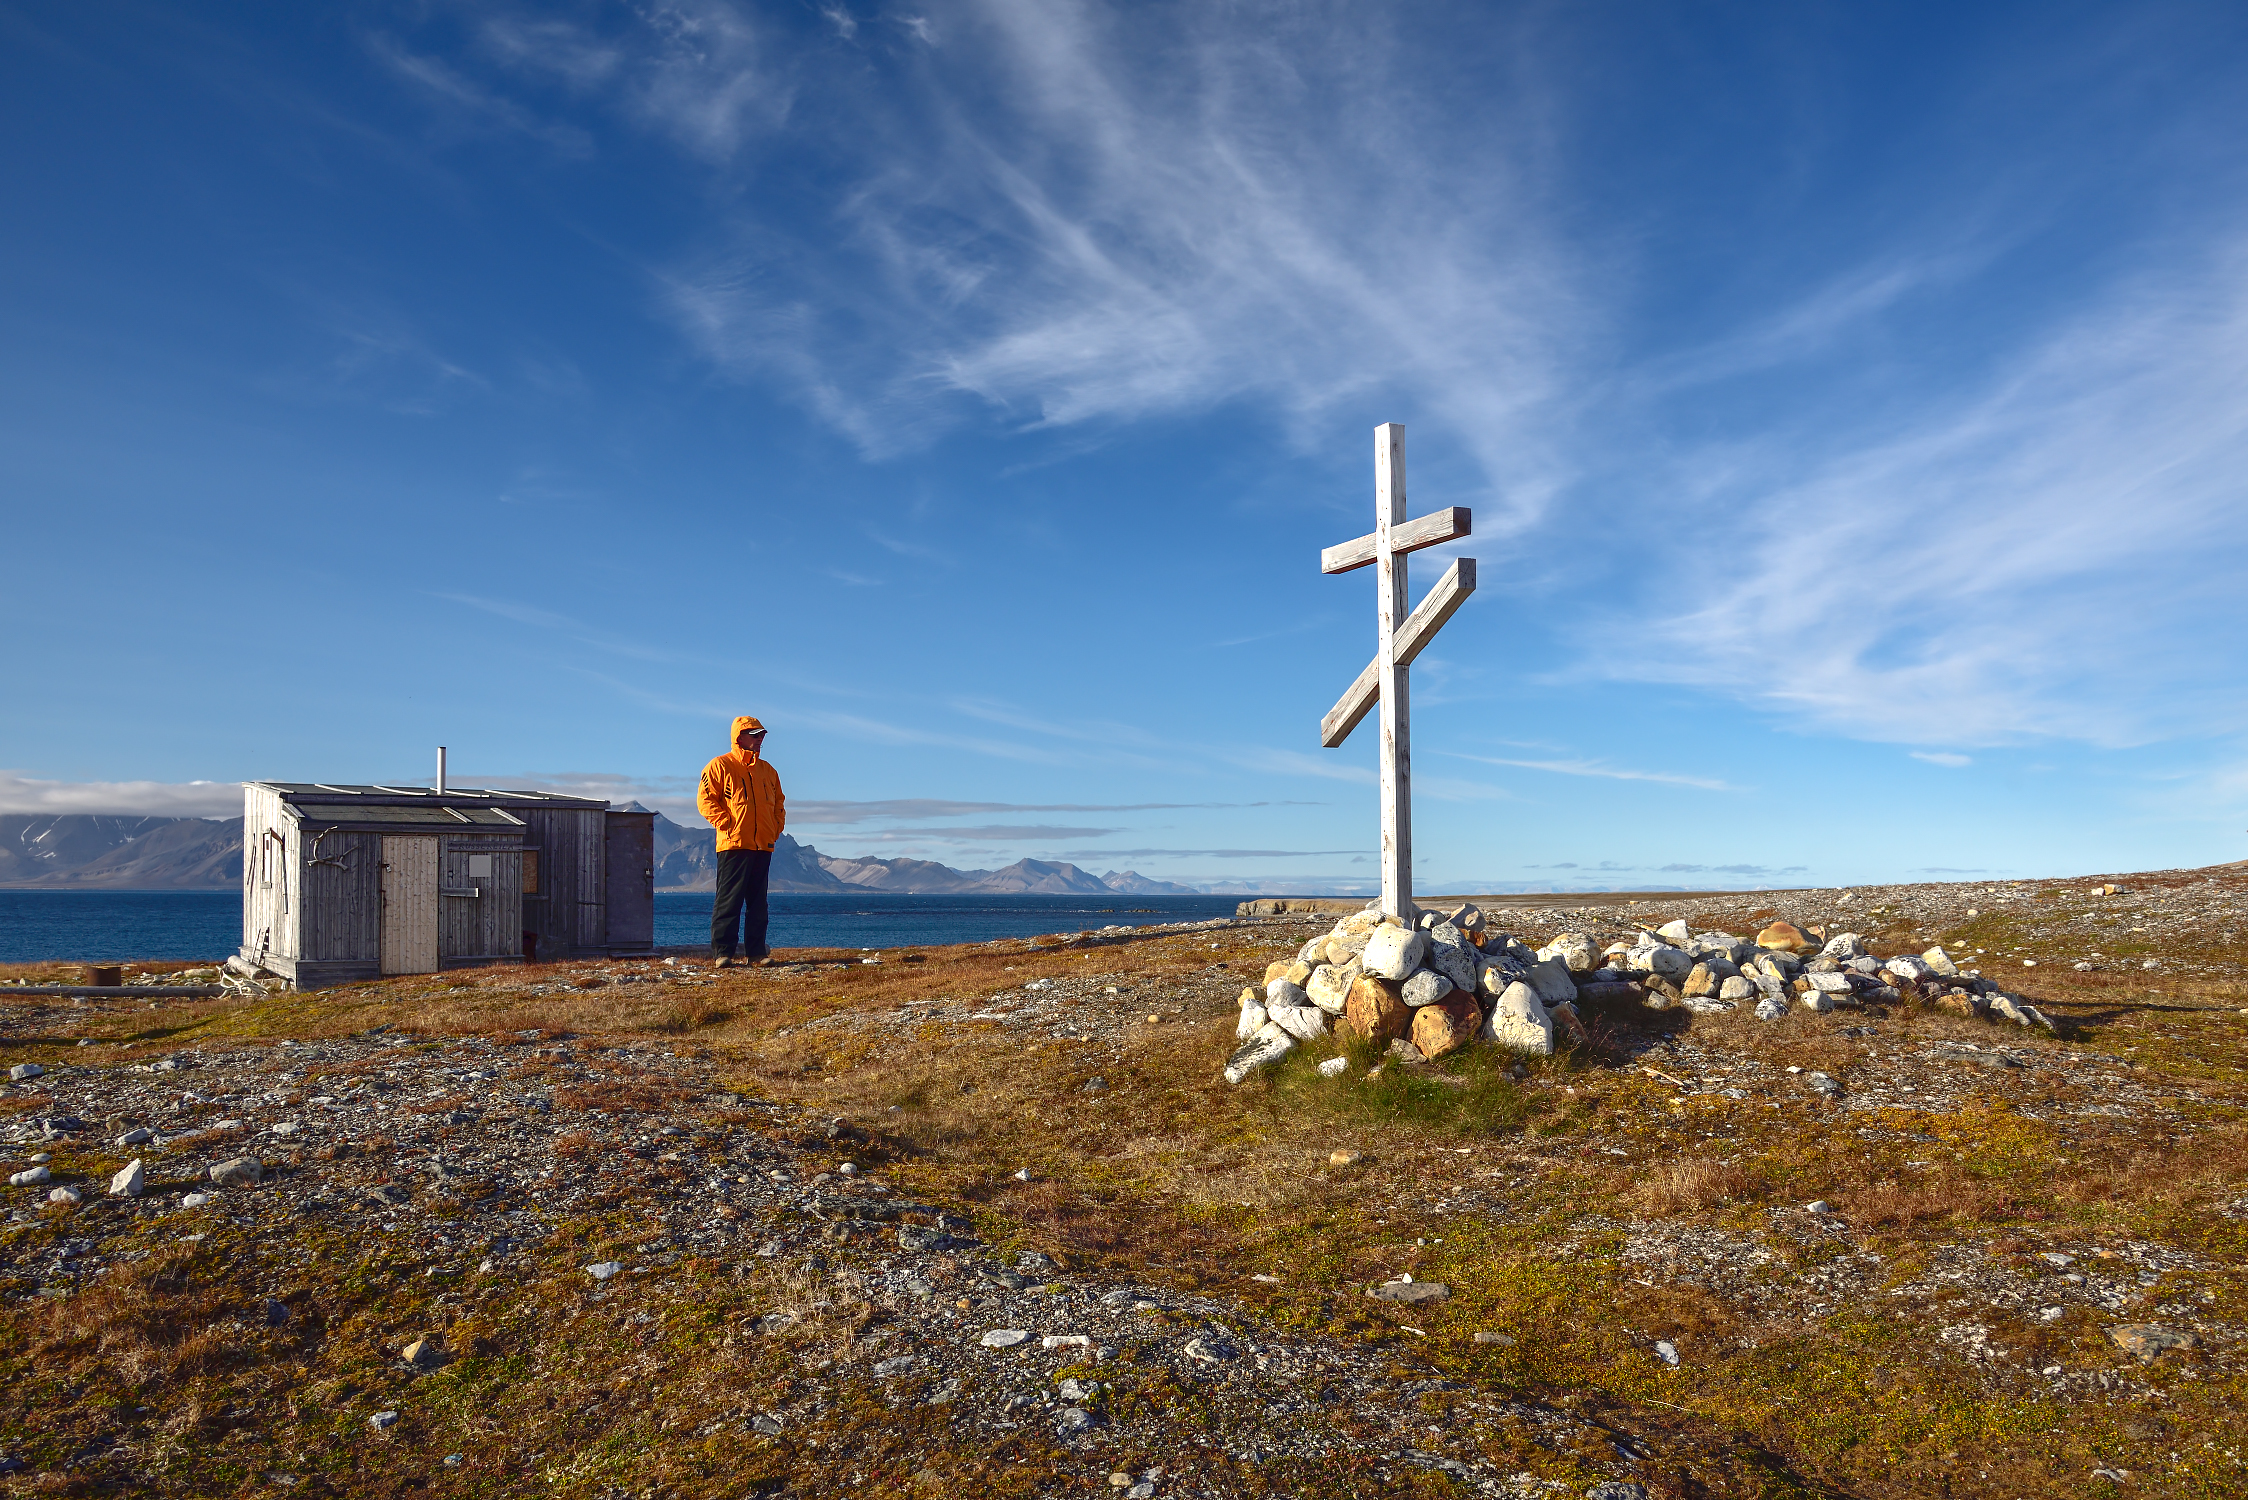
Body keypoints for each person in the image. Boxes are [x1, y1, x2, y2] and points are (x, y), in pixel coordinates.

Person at [697, 715, 785, 966]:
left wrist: (775, 829)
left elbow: (779, 804)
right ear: (739, 737)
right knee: (729, 900)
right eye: (754, 735)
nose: (759, 739)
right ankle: (723, 954)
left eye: (762, 735)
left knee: (758, 904)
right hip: (733, 844)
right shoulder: (720, 765)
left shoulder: (768, 771)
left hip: (763, 844)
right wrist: (727, 824)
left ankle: (756, 954)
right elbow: (705, 800)